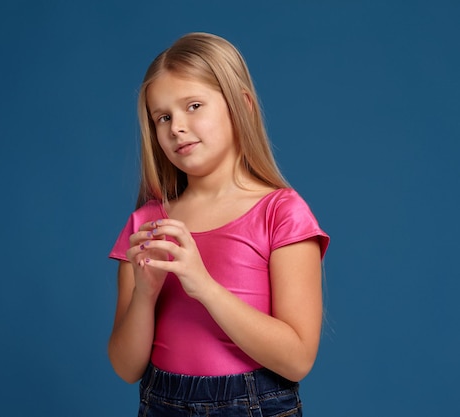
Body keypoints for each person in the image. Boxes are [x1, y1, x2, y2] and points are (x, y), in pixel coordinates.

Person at [108, 32, 329, 417]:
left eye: (193, 105)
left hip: (256, 403)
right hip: (162, 403)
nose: (176, 127)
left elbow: (297, 360)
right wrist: (144, 295)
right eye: (163, 117)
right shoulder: (146, 223)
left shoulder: (281, 213)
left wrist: (204, 286)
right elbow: (126, 367)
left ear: (241, 105)